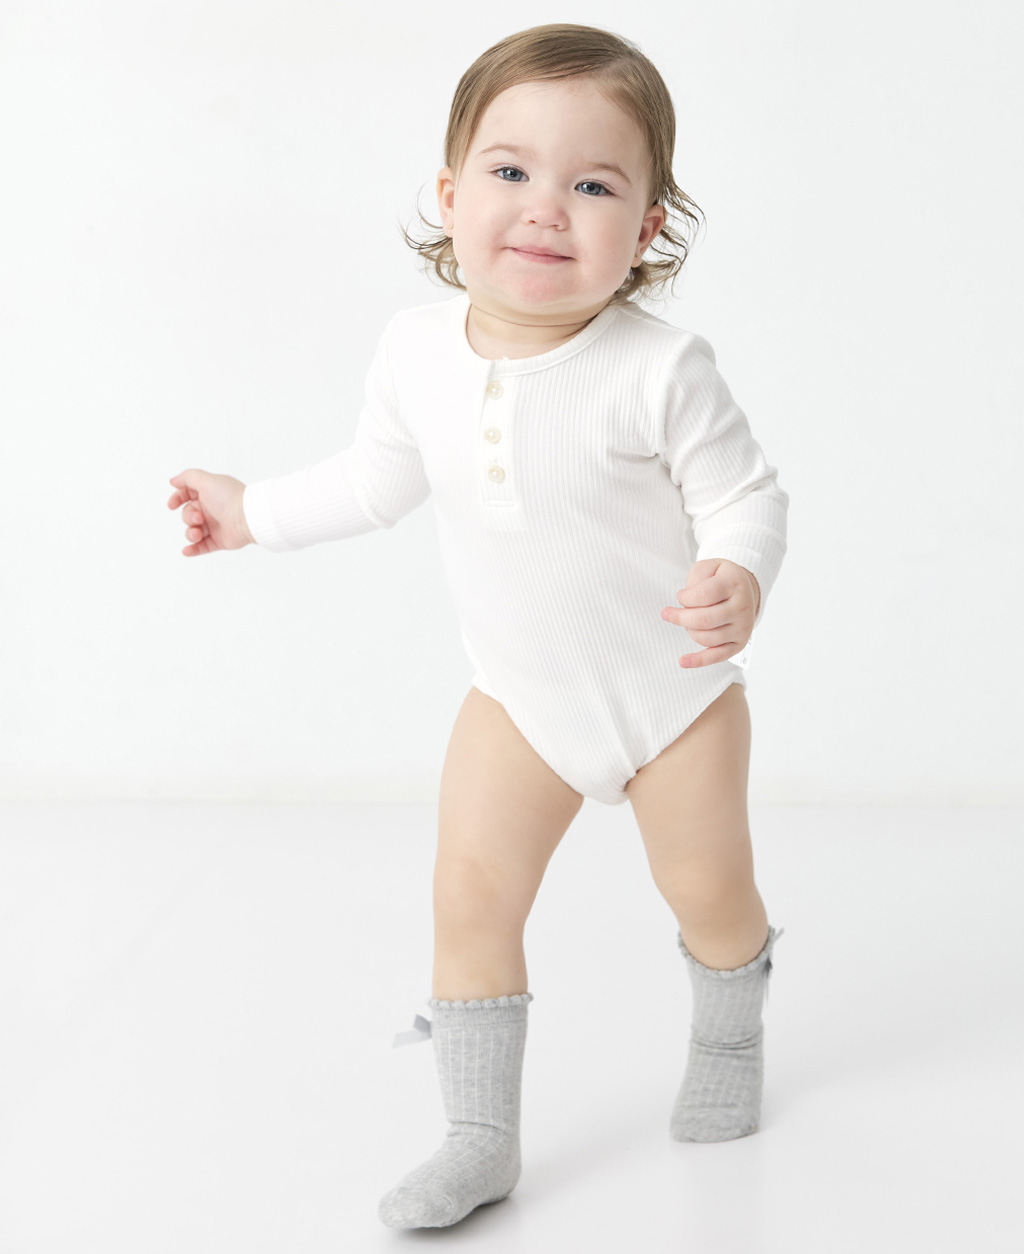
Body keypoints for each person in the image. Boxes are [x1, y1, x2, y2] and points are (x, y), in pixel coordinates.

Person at [167, 22, 789, 1231]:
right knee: (468, 895)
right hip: (518, 699)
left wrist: (739, 568)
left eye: (593, 185)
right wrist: (253, 514)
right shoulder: (414, 351)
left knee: (709, 888)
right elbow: (374, 481)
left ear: (649, 227)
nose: (546, 207)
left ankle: (729, 1037)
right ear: (450, 196)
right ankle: (478, 1136)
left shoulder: (661, 368)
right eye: (510, 171)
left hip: (673, 700)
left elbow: (745, 494)